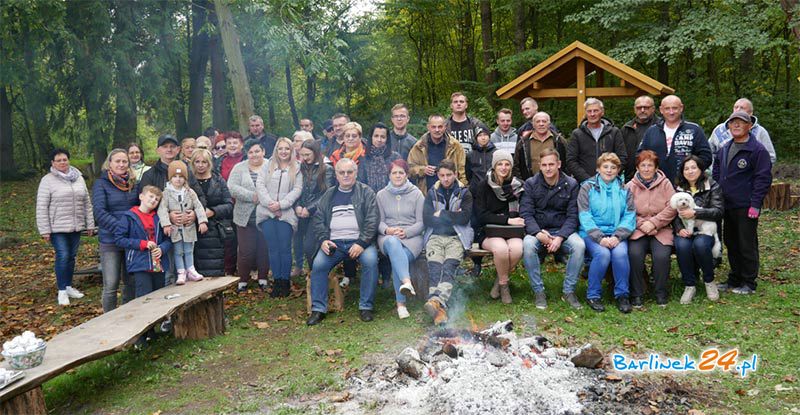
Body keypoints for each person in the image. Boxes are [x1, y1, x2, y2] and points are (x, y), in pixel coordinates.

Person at [307, 158, 380, 326]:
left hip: (360, 242)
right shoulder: (329, 194)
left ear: (356, 173)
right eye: (342, 172)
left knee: (370, 261)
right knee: (318, 265)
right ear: (337, 175)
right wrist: (323, 240)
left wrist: (362, 243)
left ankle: (366, 306)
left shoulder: (366, 192)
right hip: (335, 244)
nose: (346, 175)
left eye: (350, 172)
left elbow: (372, 220)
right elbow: (318, 220)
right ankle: (318, 309)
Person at [713, 111, 772, 295]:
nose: (736, 125)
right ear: (728, 126)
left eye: (741, 122)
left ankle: (749, 282)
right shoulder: (724, 148)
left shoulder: (757, 150)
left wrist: (755, 204)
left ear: (749, 126)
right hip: (727, 204)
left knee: (746, 244)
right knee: (731, 241)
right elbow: (716, 173)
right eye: (733, 123)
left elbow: (762, 179)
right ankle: (734, 278)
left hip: (746, 205)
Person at [519, 148, 584, 310]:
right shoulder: (531, 184)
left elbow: (573, 216)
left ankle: (569, 291)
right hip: (539, 230)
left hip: (563, 231)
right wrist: (538, 233)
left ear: (559, 164)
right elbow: (526, 213)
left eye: (551, 164)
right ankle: (538, 291)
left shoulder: (571, 184)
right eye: (544, 165)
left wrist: (560, 237)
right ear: (539, 166)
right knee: (527, 246)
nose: (548, 168)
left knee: (579, 246)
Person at [577, 153, 636, 313]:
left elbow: (630, 215)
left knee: (620, 254)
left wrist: (618, 236)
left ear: (618, 170)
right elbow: (584, 215)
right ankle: (593, 295)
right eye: (605, 167)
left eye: (613, 167)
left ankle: (622, 295)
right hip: (592, 234)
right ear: (598, 169)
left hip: (617, 234)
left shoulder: (625, 189)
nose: (609, 170)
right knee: (602, 254)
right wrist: (600, 238)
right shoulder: (587, 187)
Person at [36, 149, 95, 305]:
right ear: (53, 163)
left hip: (76, 226)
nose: (62, 162)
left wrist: (90, 224)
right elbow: (41, 206)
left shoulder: (78, 178)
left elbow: (87, 203)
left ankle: (68, 286)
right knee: (63, 255)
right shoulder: (47, 180)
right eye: (58, 160)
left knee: (71, 256)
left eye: (64, 159)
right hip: (57, 227)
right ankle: (62, 291)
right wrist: (44, 229)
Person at [422, 159, 473, 325]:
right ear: (437, 175)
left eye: (449, 175)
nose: (445, 179)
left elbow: (465, 218)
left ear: (456, 174)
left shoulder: (465, 193)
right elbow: (427, 219)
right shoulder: (432, 193)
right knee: (435, 267)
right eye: (442, 175)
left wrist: (442, 214)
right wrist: (453, 215)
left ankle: (435, 301)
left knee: (449, 266)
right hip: (435, 237)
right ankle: (439, 308)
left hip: (456, 237)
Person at [624, 150, 676, 307]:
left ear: (656, 167)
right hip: (638, 229)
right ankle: (637, 293)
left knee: (661, 256)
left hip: (661, 229)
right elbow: (626, 210)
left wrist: (654, 223)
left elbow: (672, 206)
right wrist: (642, 224)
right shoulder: (630, 186)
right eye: (643, 165)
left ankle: (660, 291)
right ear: (637, 167)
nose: (646, 169)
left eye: (650, 165)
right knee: (634, 255)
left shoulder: (665, 184)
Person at [473, 150, 525, 304]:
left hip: (512, 232)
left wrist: (517, 221)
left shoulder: (517, 186)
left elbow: (524, 211)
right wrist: (508, 220)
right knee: (501, 250)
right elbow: (481, 215)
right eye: (500, 164)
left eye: (507, 164)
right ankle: (504, 286)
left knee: (517, 250)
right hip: (489, 231)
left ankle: (499, 281)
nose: (504, 167)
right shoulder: (484, 185)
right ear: (494, 166)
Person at [376, 160, 425, 319]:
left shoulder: (416, 193)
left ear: (406, 174)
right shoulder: (381, 195)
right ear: (389, 175)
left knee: (399, 258)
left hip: (412, 238)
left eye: (401, 173)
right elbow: (379, 222)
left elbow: (422, 222)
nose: (397, 176)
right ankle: (407, 282)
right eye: (394, 173)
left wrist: (407, 232)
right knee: (392, 243)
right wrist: (388, 230)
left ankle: (401, 304)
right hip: (388, 237)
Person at [93, 149, 140, 312]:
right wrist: (121, 228)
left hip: (130, 240)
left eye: (124, 161)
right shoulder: (101, 184)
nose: (121, 164)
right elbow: (99, 212)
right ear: (109, 163)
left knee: (130, 282)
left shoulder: (134, 184)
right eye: (117, 161)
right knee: (111, 284)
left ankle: (127, 317)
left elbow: (140, 208)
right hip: (110, 241)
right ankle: (108, 320)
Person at [257, 137, 303, 298]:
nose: (283, 152)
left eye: (287, 149)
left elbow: (297, 189)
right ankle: (276, 280)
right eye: (280, 148)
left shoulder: (296, 168)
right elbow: (260, 185)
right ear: (276, 150)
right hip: (266, 212)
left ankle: (285, 281)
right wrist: (270, 204)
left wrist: (282, 204)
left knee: (284, 248)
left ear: (291, 151)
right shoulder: (267, 166)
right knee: (273, 248)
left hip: (286, 213)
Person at [673, 155, 723, 304]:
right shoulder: (678, 188)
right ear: (682, 172)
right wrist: (679, 228)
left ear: (701, 169)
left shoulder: (713, 186)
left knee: (700, 245)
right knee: (682, 245)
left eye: (694, 167)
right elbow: (673, 213)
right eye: (686, 168)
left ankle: (709, 281)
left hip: (706, 228)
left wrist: (696, 213)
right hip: (685, 228)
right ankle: (689, 285)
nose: (690, 171)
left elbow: (719, 211)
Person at [638, 95, 712, 183]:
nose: (671, 112)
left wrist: (691, 172)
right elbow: (640, 156)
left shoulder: (694, 130)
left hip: (688, 184)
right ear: (661, 110)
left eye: (674, 108)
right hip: (657, 184)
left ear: (681, 108)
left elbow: (706, 157)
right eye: (667, 109)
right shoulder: (651, 131)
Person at [115, 185, 172, 299]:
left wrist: (162, 249)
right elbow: (119, 239)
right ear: (141, 196)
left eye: (156, 199)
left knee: (159, 296)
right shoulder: (129, 217)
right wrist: (142, 244)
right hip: (140, 264)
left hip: (158, 264)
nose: (153, 200)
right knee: (145, 298)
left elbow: (168, 240)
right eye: (150, 196)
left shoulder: (159, 218)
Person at [228, 141, 271, 292]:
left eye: (257, 151)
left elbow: (278, 184)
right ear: (247, 153)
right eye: (251, 152)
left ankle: (263, 278)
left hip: (266, 214)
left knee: (264, 248)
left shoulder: (270, 165)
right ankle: (243, 280)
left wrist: (264, 197)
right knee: (246, 250)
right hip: (244, 216)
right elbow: (232, 187)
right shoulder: (239, 168)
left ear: (263, 151)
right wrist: (251, 196)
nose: (254, 155)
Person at [158, 160, 208, 285]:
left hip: (189, 227)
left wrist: (202, 221)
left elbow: (198, 206)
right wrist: (166, 224)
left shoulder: (190, 192)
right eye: (175, 176)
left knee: (189, 249)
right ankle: (181, 272)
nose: (178, 179)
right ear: (170, 178)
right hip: (175, 229)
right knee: (178, 251)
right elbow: (162, 209)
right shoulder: (166, 193)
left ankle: (191, 269)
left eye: (181, 177)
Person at [190, 149, 234, 277]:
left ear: (209, 163)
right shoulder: (188, 181)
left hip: (215, 230)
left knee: (214, 267)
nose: (200, 164)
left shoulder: (218, 180)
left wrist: (213, 212)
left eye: (204, 162)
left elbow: (229, 205)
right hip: (194, 229)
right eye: (197, 161)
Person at [294, 140, 334, 276]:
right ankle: (305, 270)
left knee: (310, 246)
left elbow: (327, 193)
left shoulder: (326, 168)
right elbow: (297, 188)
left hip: (317, 213)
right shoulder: (301, 167)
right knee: (298, 242)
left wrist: (309, 209)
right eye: (302, 155)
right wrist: (297, 205)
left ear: (316, 152)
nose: (304, 158)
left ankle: (316, 272)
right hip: (300, 211)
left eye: (307, 154)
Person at [567, 98, 627, 184]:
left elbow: (622, 157)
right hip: (584, 184)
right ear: (585, 113)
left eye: (595, 111)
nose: (592, 114)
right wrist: (586, 179)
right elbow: (571, 160)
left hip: (610, 183)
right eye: (589, 111)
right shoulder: (577, 134)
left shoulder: (614, 132)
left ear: (602, 112)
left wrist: (610, 176)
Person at [408, 114, 467, 194]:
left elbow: (462, 172)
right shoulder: (419, 147)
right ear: (428, 127)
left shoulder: (455, 146)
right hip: (427, 193)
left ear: (445, 127)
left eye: (440, 127)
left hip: (451, 193)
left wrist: (462, 192)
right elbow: (409, 169)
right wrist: (423, 170)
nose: (437, 130)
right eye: (433, 127)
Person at [709, 98, 776, 164]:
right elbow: (709, 152)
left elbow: (770, 157)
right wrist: (714, 171)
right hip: (722, 173)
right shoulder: (719, 130)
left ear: (750, 113)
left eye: (742, 108)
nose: (738, 110)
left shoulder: (760, 132)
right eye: (736, 107)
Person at [513, 111, 567, 181]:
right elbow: (516, 166)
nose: (541, 124)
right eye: (538, 122)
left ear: (549, 124)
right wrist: (523, 184)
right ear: (533, 124)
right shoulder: (523, 143)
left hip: (556, 184)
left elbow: (567, 163)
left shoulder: (559, 141)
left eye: (544, 121)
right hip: (531, 185)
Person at [622, 96, 660, 182]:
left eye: (646, 107)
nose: (642, 110)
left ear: (653, 108)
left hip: (657, 177)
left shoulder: (661, 127)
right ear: (634, 109)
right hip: (631, 178)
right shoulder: (627, 128)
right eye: (639, 108)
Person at [363, 122, 401, 193]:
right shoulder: (364, 158)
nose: (379, 140)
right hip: (369, 199)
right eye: (376, 136)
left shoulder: (395, 157)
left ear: (387, 139)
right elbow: (361, 184)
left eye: (383, 137)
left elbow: (400, 180)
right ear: (371, 137)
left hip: (391, 197)